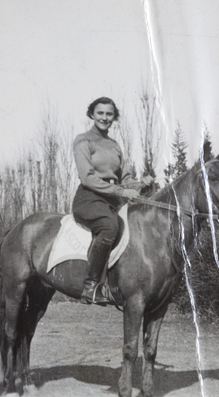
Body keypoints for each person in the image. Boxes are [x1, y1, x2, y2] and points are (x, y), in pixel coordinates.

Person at [72, 96, 153, 305]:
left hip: (113, 201)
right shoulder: (83, 140)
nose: (104, 118)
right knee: (110, 226)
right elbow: (87, 178)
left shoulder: (115, 145)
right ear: (92, 114)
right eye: (100, 113)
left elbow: (124, 179)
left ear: (113, 117)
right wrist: (122, 192)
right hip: (89, 199)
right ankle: (90, 286)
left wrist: (139, 184)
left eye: (109, 114)